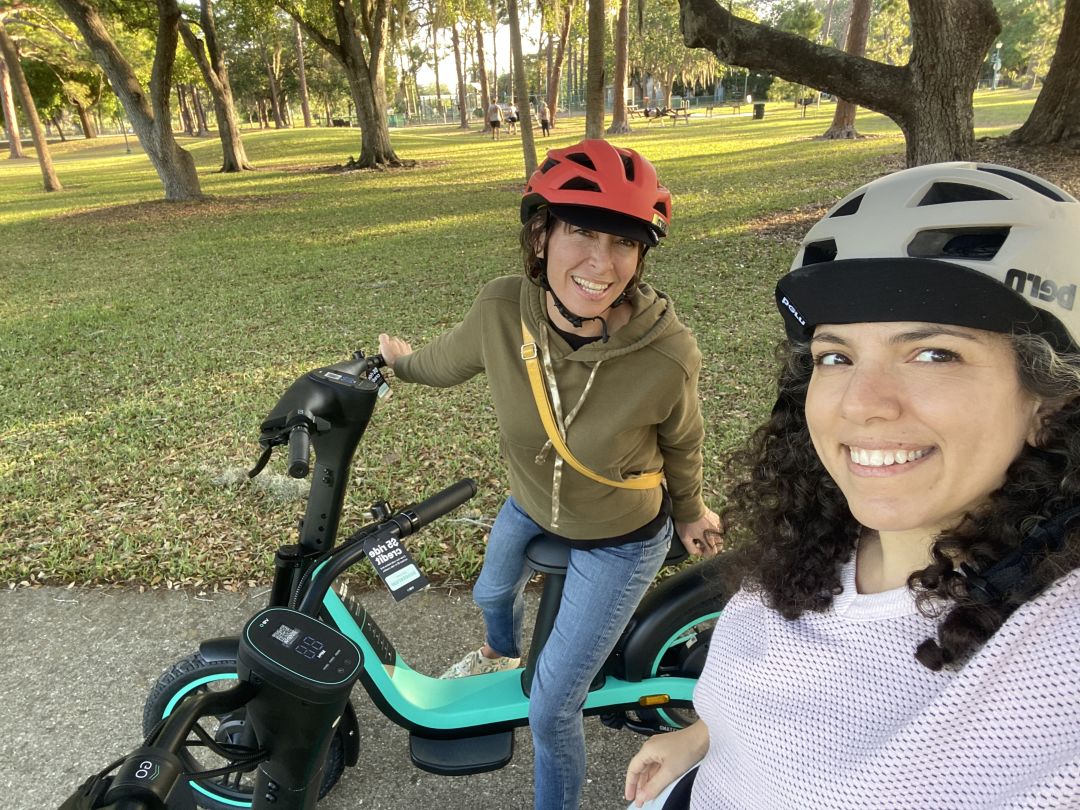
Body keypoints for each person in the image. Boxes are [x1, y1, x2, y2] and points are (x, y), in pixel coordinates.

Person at [625, 162, 1080, 809]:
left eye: (933, 353)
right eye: (836, 356)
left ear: (1052, 401)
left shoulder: (1058, 663)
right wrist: (703, 738)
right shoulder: (813, 552)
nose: (862, 403)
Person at [378, 138, 721, 810]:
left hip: (620, 537)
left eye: (623, 243)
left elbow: (683, 442)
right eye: (583, 233)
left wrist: (691, 509)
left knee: (550, 708)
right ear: (541, 237)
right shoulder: (504, 311)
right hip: (531, 503)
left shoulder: (667, 354)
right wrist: (400, 363)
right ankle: (497, 651)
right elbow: (444, 362)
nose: (602, 262)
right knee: (489, 595)